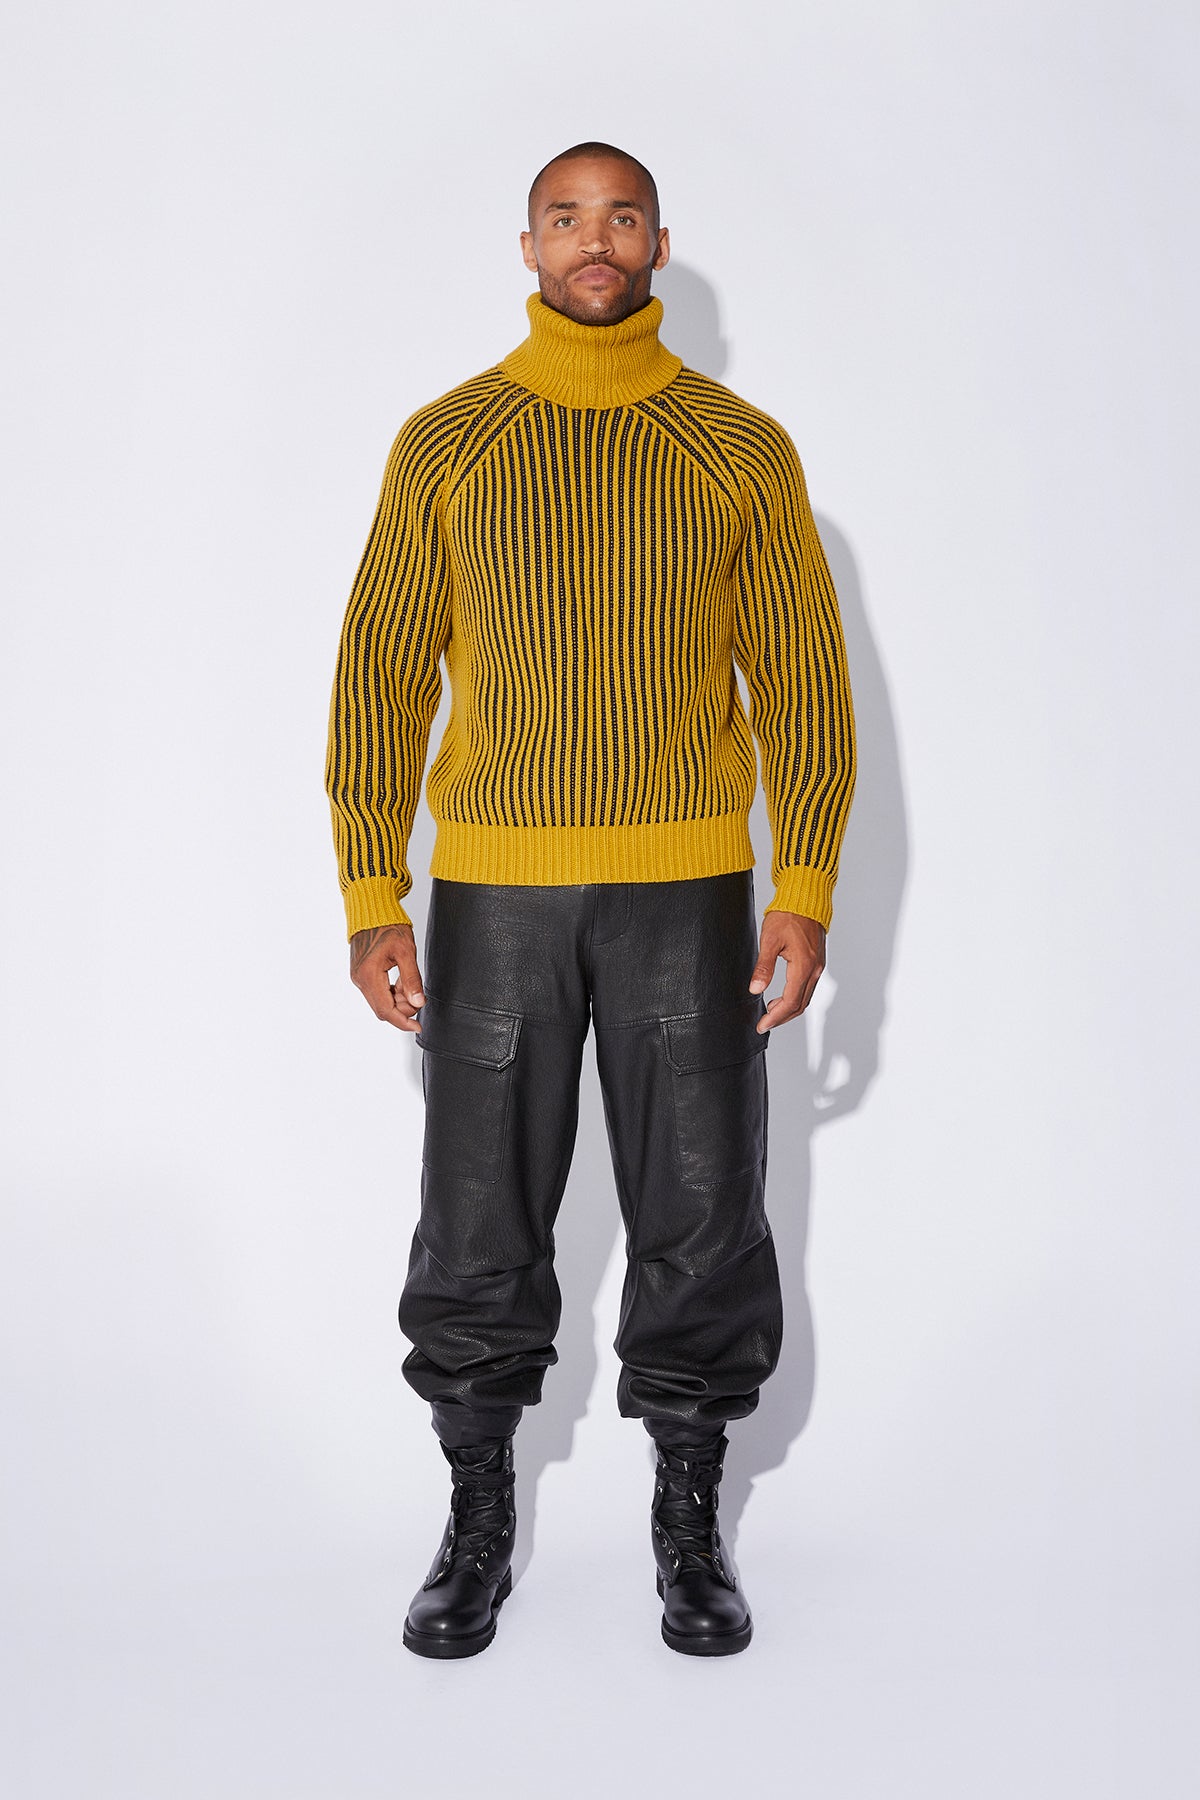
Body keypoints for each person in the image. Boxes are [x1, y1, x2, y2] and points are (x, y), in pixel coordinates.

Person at [324, 142, 855, 1660]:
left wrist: (805, 882)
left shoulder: (738, 447)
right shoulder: (447, 442)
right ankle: (476, 1516)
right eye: (566, 219)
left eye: (621, 217)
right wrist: (372, 889)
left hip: (687, 892)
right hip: (495, 896)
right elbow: (380, 674)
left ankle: (689, 1521)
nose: (594, 242)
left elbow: (804, 680)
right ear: (528, 247)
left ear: (660, 243)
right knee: (477, 1213)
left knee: (702, 1207)